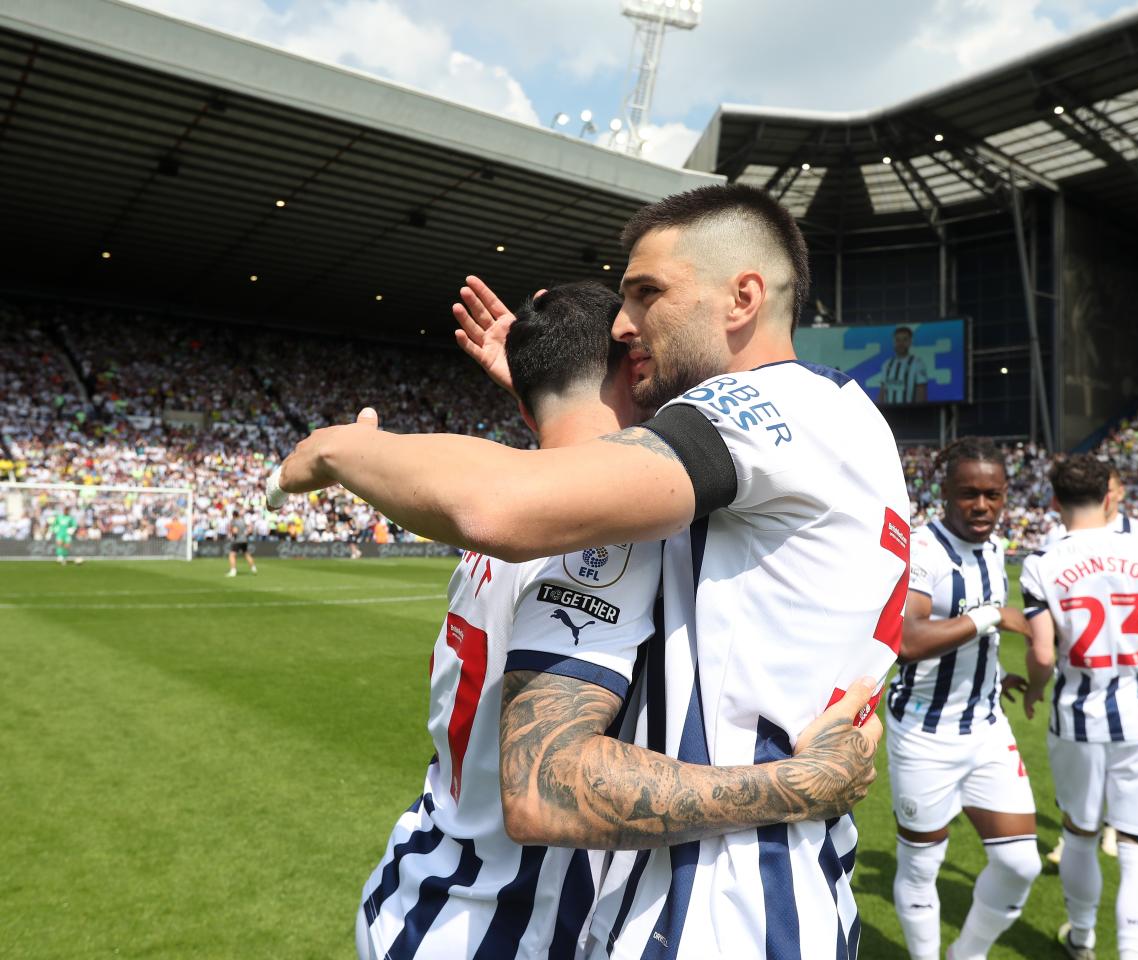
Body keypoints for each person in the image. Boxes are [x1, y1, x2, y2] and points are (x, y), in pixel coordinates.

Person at [274, 183, 908, 957]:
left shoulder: (772, 413)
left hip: (716, 918)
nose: (622, 323)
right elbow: (589, 471)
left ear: (743, 297)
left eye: (646, 294)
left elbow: (502, 508)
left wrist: (344, 448)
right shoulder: (837, 423)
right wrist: (559, 390)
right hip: (772, 897)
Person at [1021, 455, 1138, 960]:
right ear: (1109, 496)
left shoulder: (1042, 561)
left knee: (1078, 833)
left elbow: (1043, 654)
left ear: (1054, 503)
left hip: (1077, 718)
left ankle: (1081, 938)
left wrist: (1034, 689)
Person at [885, 438, 1040, 960]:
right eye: (969, 494)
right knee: (923, 865)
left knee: (1022, 864)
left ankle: (966, 954)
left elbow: (967, 634)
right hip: (924, 737)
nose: (982, 506)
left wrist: (993, 679)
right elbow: (908, 641)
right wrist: (995, 616)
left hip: (987, 727)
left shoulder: (995, 549)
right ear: (945, 492)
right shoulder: (921, 549)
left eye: (993, 495)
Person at [1044, 461, 1138, 863]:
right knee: (1082, 798)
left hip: (1126, 675)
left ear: (1117, 493)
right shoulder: (1060, 538)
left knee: (1124, 775)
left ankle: (1112, 828)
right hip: (1085, 678)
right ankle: (1077, 832)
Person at [878, 325, 929, 405]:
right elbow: (882, 392)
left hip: (909, 413)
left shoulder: (917, 363)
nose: (900, 343)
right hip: (889, 413)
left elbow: (921, 392)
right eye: (897, 340)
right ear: (894, 342)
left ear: (910, 342)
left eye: (905, 340)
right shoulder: (887, 364)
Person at [225, 509, 257, 577]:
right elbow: (249, 529)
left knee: (232, 555)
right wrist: (245, 534)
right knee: (246, 554)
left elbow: (235, 531)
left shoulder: (234, 521)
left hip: (237, 540)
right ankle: (253, 568)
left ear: (233, 515)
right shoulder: (242, 520)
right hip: (244, 539)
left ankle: (233, 571)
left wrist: (231, 531)